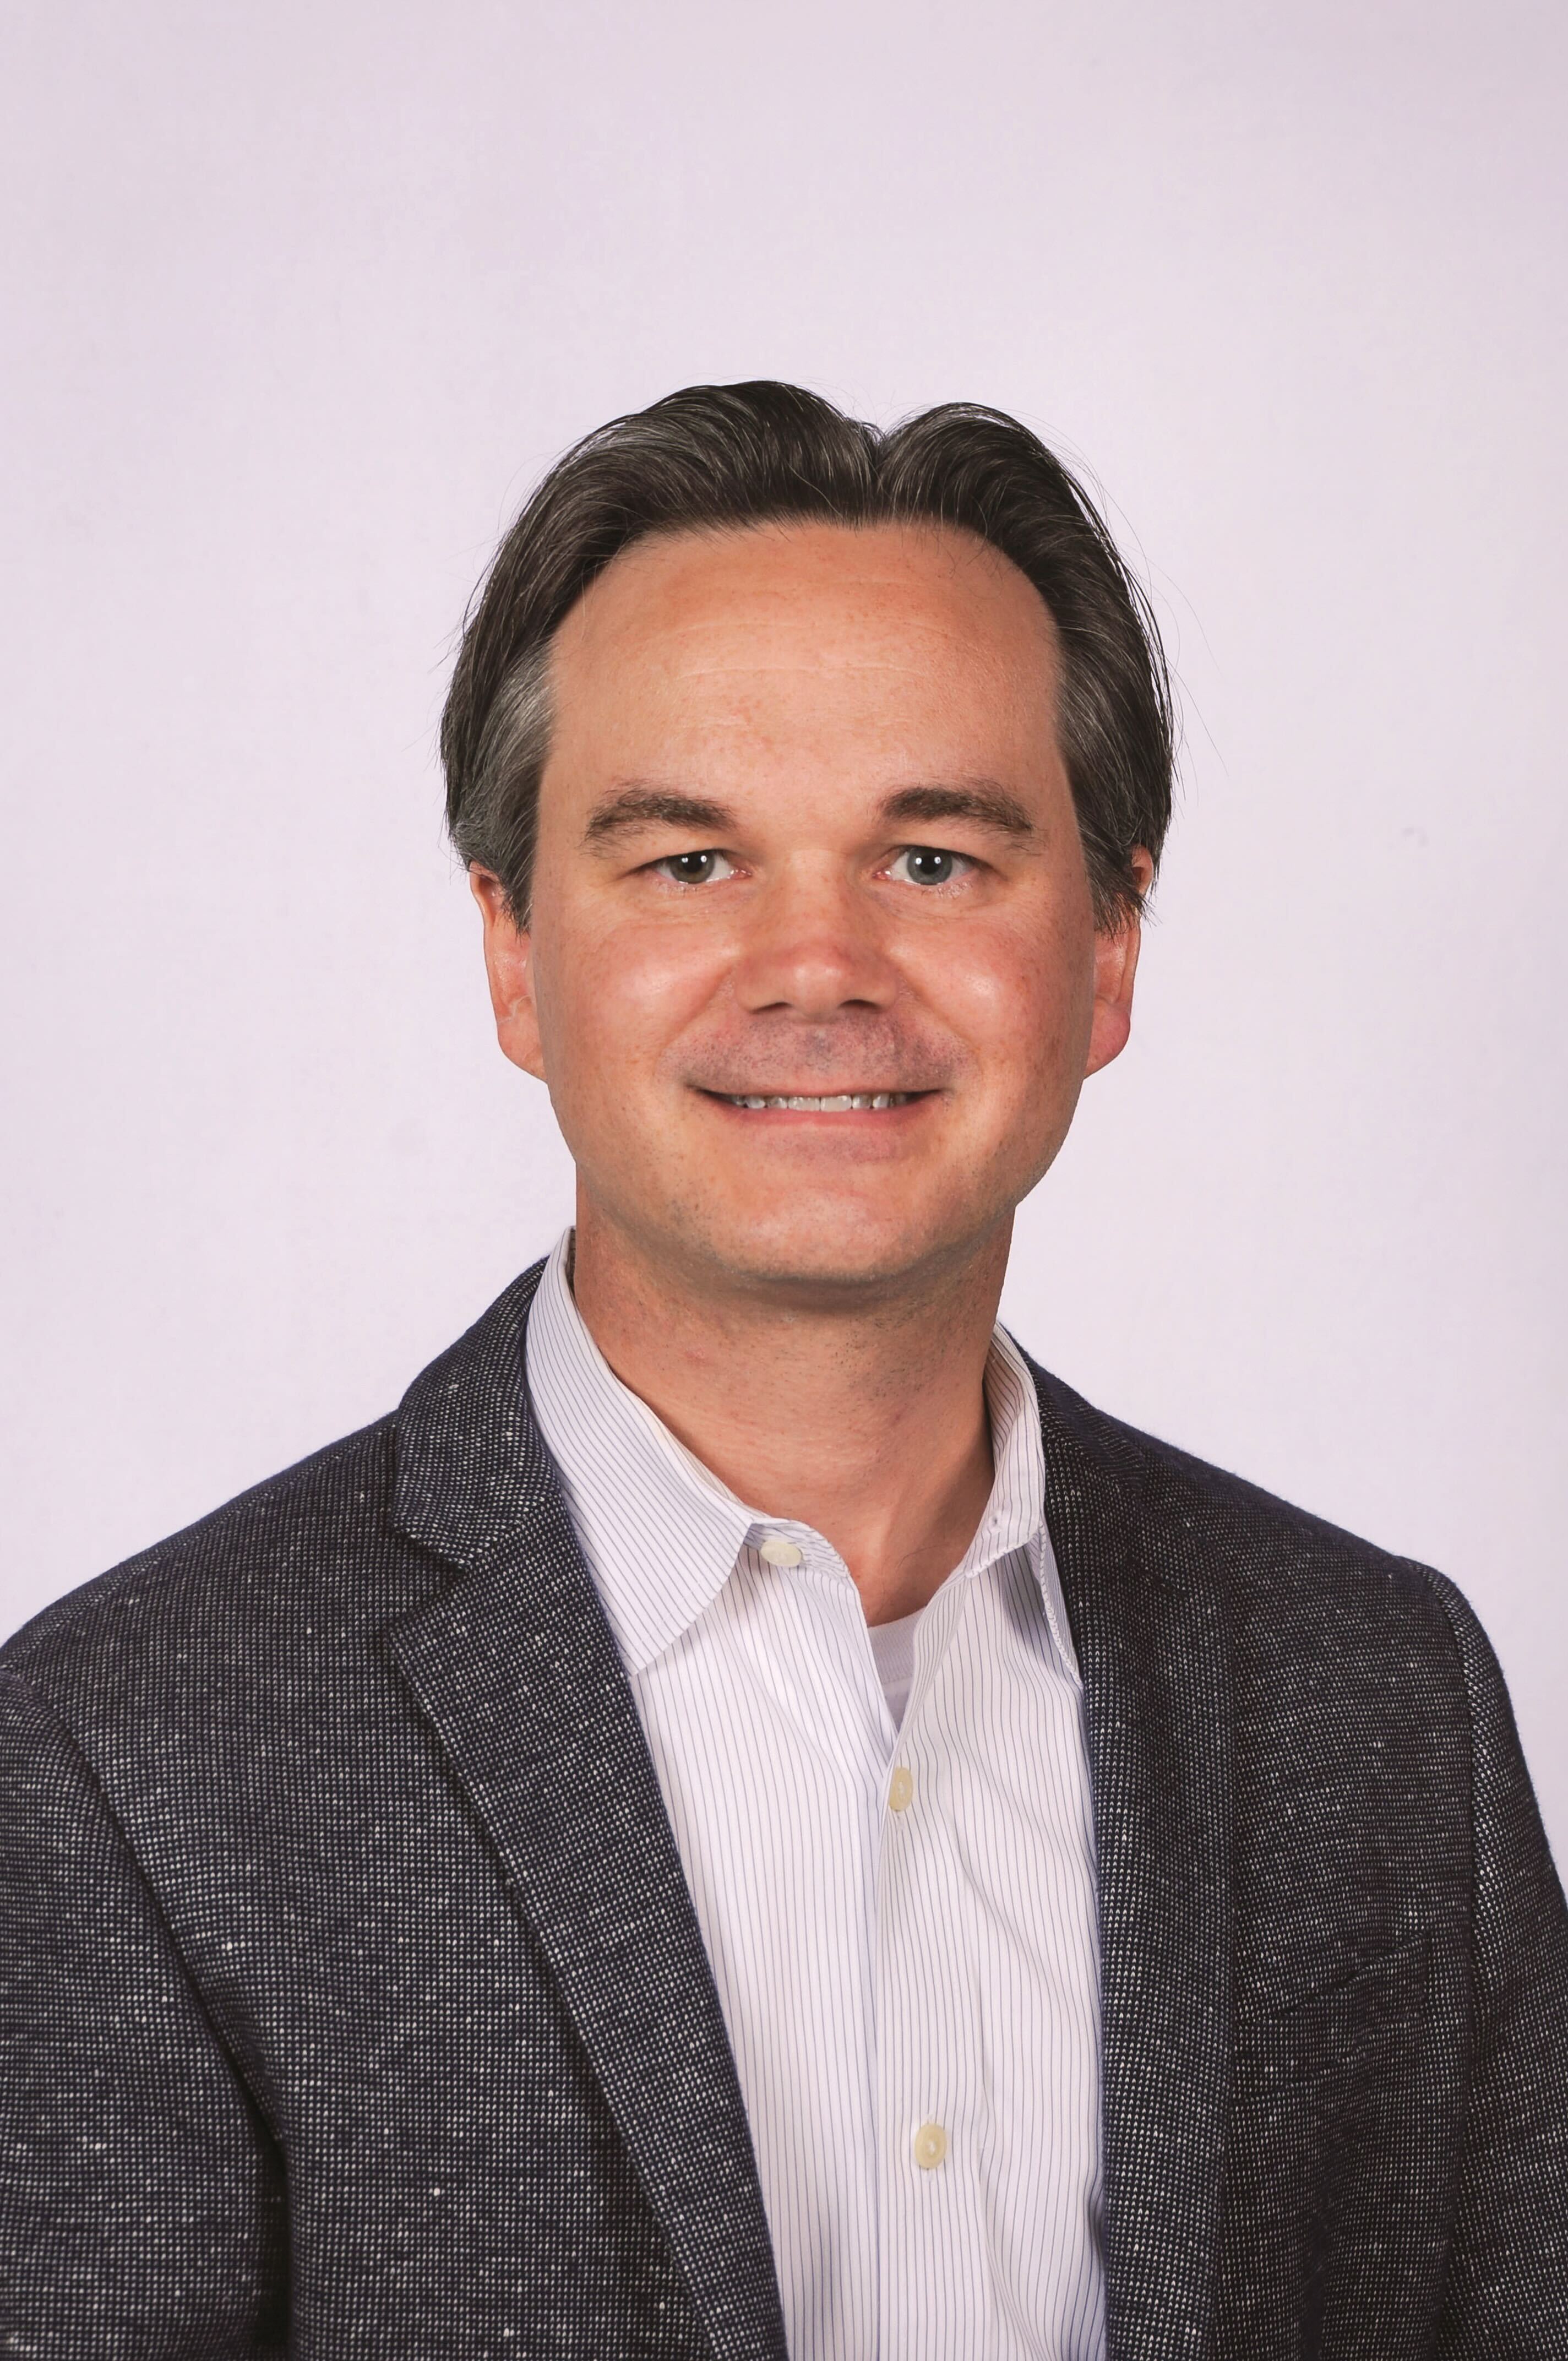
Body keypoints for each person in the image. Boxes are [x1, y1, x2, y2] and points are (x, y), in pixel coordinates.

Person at [2, 380, 1563, 2360]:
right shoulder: (119, 1763)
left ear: (1107, 952)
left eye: (933, 860)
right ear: (512, 951)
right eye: (688, 865)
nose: (818, 965)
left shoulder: (1383, 1705)